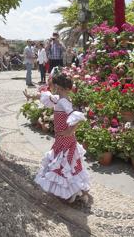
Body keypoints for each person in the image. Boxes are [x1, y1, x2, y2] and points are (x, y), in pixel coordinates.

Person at [23, 72, 90, 203]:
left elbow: (77, 118)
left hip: (64, 139)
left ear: (59, 87)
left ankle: (75, 191)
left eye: (54, 86)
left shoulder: (64, 102)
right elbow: (43, 96)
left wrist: (69, 131)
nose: (52, 88)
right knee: (66, 164)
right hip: (61, 139)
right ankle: (72, 190)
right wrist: (30, 96)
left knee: (65, 164)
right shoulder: (59, 99)